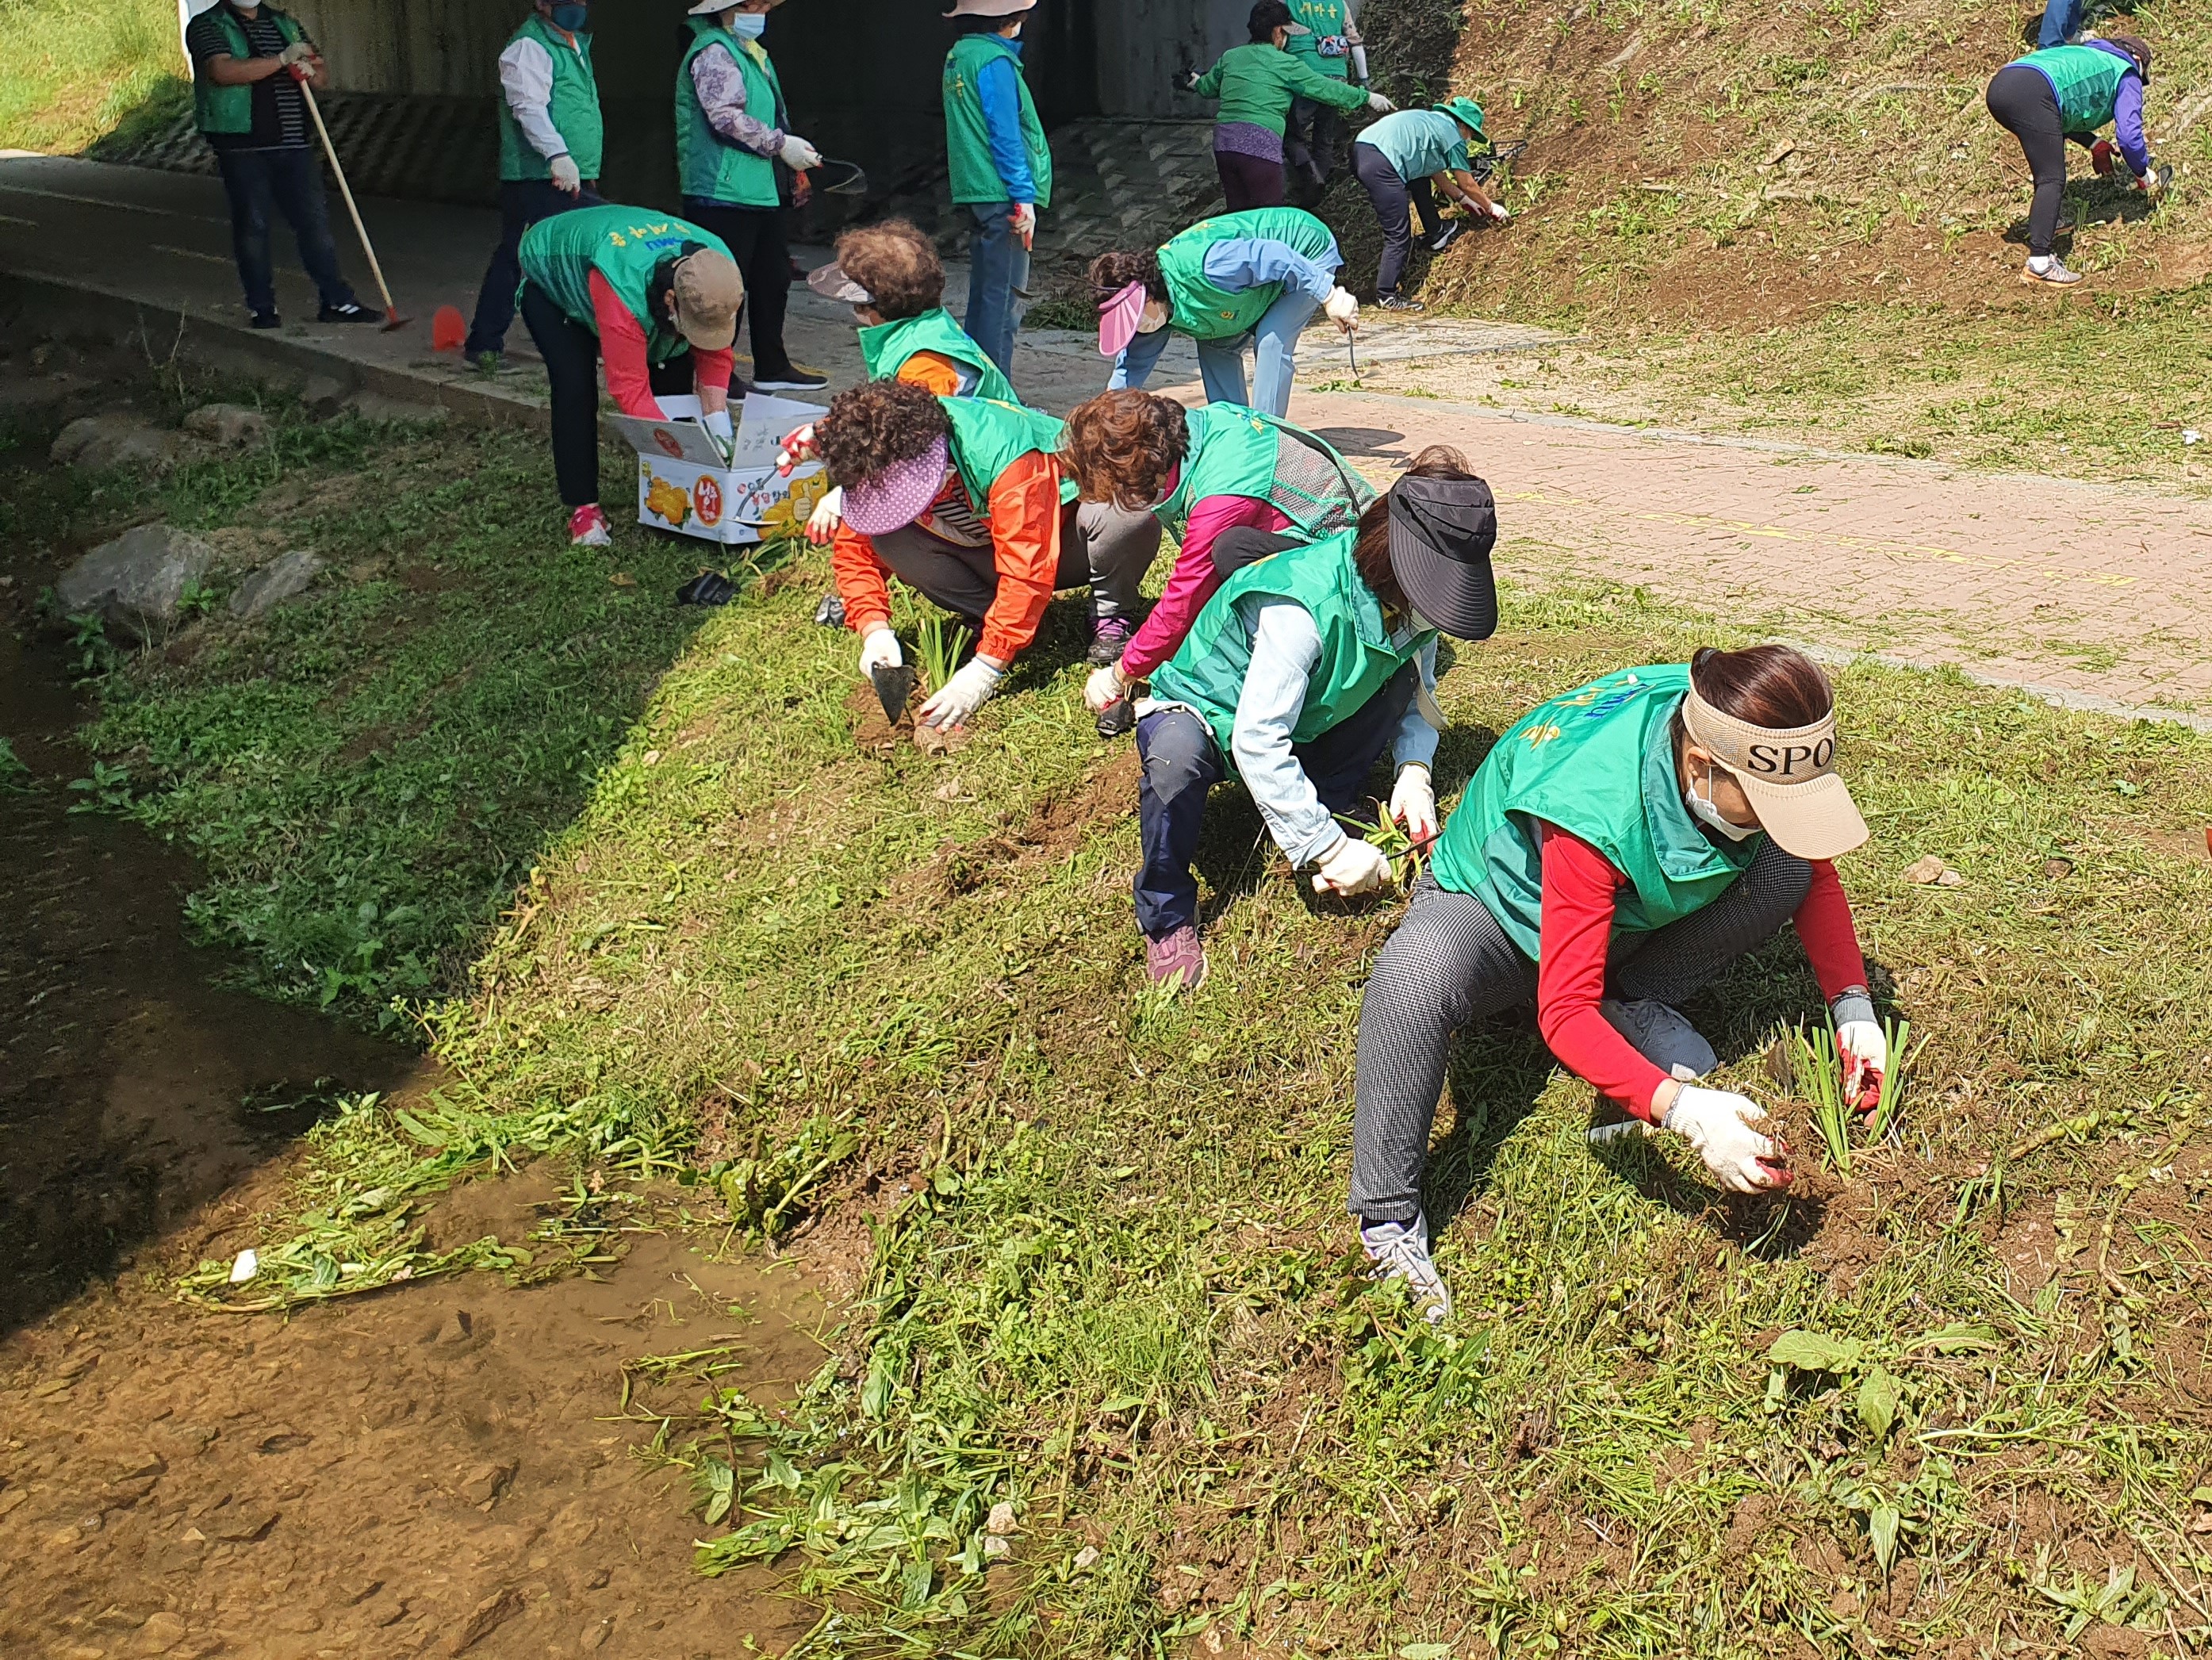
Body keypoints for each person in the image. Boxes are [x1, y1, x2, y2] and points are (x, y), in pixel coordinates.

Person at [1349, 645, 1888, 1320]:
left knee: (1784, 869)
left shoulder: (1728, 720)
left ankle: (1633, 995)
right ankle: (1387, 1221)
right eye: (1766, 803)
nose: (1781, 821)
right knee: (1412, 981)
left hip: (1608, 906)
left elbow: (1812, 864)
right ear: (1699, 767)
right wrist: (1682, 1112)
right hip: (1502, 909)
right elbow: (1564, 1012)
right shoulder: (1595, 801)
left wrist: (1852, 1006)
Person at [1125, 448, 1499, 991]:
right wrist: (1323, 846)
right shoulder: (1303, 607)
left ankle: (1328, 796)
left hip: (1305, 712)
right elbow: (1256, 738)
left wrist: (1414, 770)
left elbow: (1421, 692)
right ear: (1393, 564)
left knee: (1398, 674)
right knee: (1174, 760)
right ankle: (1166, 913)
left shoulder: (1410, 602)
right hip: (1212, 714)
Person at [812, 381, 1162, 729]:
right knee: (888, 541)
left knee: (1125, 516)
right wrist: (874, 629)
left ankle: (1110, 614)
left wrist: (986, 669)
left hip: (1066, 538)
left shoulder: (1001, 450)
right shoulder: (875, 462)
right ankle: (999, 618)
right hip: (991, 553)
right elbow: (855, 553)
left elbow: (1027, 566)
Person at [1061, 389, 1372, 711]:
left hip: (1351, 575)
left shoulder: (1222, 496)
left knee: (1229, 552)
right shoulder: (1204, 427)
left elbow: (1183, 601)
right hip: (1331, 546)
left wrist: (1119, 674)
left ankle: (1278, 661)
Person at [516, 204, 743, 547]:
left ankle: (669, 491)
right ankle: (584, 510)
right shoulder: (621, 288)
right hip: (556, 280)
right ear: (671, 300)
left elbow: (714, 355)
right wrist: (687, 452)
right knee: (574, 386)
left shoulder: (720, 271)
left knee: (672, 374)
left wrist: (718, 426)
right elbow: (630, 390)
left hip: (637, 273)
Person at [802, 220, 1019, 545]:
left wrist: (843, 498)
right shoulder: (922, 329)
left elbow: (909, 447)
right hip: (972, 484)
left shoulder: (926, 362)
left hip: (988, 504)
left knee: (859, 529)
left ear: (869, 305)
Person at [185, 0, 374, 330]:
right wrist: (282, 60)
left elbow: (321, 74)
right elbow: (223, 71)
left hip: (294, 142)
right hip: (244, 145)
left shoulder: (285, 23)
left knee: (314, 222)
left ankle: (336, 300)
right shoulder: (208, 25)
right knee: (253, 226)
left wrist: (311, 70)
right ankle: (262, 307)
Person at [674, 0, 830, 390]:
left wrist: (790, 163)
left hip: (759, 188)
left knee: (772, 278)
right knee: (722, 287)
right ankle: (716, 373)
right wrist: (780, 145)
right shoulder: (713, 50)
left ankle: (772, 365)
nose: (760, 8)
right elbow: (725, 116)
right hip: (720, 190)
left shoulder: (752, 51)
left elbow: (771, 113)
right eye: (749, 3)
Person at [1087, 206, 1359, 419]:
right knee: (1216, 346)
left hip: (1304, 250)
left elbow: (1274, 255)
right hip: (1256, 285)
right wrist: (1106, 413)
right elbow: (1130, 370)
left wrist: (1329, 294)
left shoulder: (1208, 266)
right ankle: (1235, 431)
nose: (1138, 327)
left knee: (1271, 340)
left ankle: (1268, 437)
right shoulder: (1152, 315)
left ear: (1149, 292)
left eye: (1137, 316)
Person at [463, 0, 604, 367]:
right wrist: (558, 155)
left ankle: (576, 340)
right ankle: (485, 343)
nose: (576, 7)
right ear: (542, 3)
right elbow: (529, 107)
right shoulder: (529, 47)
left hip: (572, 171)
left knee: (577, 255)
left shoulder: (572, 45)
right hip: (538, 176)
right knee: (518, 257)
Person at [1986, 35, 2163, 288]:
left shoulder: (2084, 56)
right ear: (2138, 60)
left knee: (2046, 171)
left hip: (2002, 86)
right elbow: (2129, 135)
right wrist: (2142, 172)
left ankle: (2047, 224)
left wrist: (2093, 143)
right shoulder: (2126, 70)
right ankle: (2040, 264)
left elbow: (2058, 109)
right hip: (2033, 92)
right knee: (2052, 178)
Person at [941, 0, 1052, 385]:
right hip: (1002, 192)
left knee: (986, 295)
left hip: (975, 188)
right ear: (1010, 18)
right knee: (1005, 303)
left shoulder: (960, 55)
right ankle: (997, 396)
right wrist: (1024, 197)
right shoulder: (994, 61)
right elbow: (1005, 134)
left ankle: (975, 384)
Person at [1187, 0, 1389, 211]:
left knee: (1237, 211)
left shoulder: (1231, 57)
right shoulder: (1285, 63)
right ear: (1277, 32)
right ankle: (1312, 188)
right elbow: (1323, 87)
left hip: (1224, 145)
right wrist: (1366, 96)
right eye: (1287, 33)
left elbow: (1208, 87)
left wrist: (1194, 82)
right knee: (1270, 212)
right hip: (1259, 145)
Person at [1351, 98, 1509, 312]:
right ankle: (1387, 295)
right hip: (1382, 163)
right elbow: (1467, 182)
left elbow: (1432, 170)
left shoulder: (1433, 123)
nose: (1469, 139)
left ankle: (1436, 231)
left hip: (1362, 149)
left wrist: (1462, 200)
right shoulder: (1453, 136)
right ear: (1462, 125)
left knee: (1420, 178)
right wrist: (1492, 207)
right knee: (1398, 234)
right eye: (1471, 134)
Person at [1282, 0, 1369, 201]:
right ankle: (1319, 187)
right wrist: (1364, 79)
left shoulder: (1289, 4)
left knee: (1292, 135)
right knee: (1325, 136)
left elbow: (1277, 37)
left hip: (1304, 77)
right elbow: (1354, 41)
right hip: (1336, 78)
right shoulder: (1338, 4)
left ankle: (1307, 178)